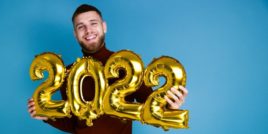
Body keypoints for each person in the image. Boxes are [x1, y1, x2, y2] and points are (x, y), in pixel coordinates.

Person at [27, 4, 188, 134]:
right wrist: (46, 116)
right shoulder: (68, 74)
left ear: (104, 27)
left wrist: (169, 108)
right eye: (81, 26)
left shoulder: (127, 67)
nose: (88, 30)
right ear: (75, 34)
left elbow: (150, 111)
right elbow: (75, 125)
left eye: (93, 23)